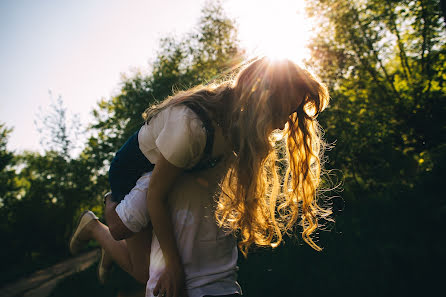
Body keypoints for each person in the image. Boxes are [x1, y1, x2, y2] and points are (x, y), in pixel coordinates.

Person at [69, 56, 332, 297]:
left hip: (165, 172)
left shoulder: (234, 123)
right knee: (121, 234)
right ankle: (94, 225)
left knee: (142, 270)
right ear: (260, 100)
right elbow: (156, 196)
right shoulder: (192, 127)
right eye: (281, 111)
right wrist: (173, 266)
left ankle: (107, 245)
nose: (284, 124)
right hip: (133, 171)